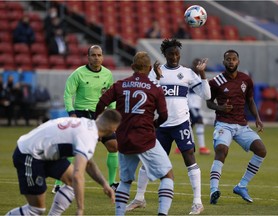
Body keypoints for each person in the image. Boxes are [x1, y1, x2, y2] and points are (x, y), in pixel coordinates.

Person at [126, 39, 211, 215]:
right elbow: (149, 93)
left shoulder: (187, 73)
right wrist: (157, 77)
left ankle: (197, 202)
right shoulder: (156, 72)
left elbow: (207, 95)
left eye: (177, 53)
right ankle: (139, 198)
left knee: (189, 158)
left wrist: (202, 74)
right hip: (160, 125)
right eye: (171, 54)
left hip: (181, 123)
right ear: (164, 55)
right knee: (148, 160)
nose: (174, 57)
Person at [95, 51, 174, 215]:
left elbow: (101, 103)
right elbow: (164, 115)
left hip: (123, 139)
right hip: (146, 139)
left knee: (125, 180)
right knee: (167, 175)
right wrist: (154, 125)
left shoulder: (120, 84)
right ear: (150, 68)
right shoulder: (155, 88)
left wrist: (101, 127)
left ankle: (119, 214)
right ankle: (163, 213)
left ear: (132, 67)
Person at [5, 109, 122, 216]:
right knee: (36, 209)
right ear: (113, 130)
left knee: (71, 181)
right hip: (29, 154)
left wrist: (104, 184)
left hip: (44, 153)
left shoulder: (86, 124)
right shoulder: (88, 136)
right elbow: (78, 175)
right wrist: (80, 209)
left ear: (100, 117)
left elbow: (88, 163)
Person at [54, 44, 119, 193]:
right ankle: (59, 183)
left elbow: (111, 96)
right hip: (81, 114)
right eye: (93, 55)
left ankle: (112, 183)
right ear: (88, 57)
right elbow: (68, 94)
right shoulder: (78, 73)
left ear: (102, 57)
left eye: (99, 55)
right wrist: (71, 113)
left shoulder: (107, 74)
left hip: (100, 115)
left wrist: (113, 113)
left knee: (114, 145)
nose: (96, 58)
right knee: (72, 149)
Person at [206, 49, 267, 205]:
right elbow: (209, 102)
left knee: (261, 150)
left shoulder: (246, 79)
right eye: (228, 59)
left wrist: (258, 118)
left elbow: (251, 100)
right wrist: (220, 108)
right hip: (223, 124)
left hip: (241, 125)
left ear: (238, 61)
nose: (231, 61)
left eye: (234, 59)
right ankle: (214, 190)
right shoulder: (216, 81)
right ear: (224, 62)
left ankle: (242, 186)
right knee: (221, 150)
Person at [175, 58, 211, 155]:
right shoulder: (189, 75)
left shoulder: (198, 75)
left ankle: (182, 147)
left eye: (199, 63)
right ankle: (201, 148)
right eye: (195, 63)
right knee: (199, 121)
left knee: (190, 125)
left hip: (196, 105)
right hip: (191, 104)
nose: (197, 65)